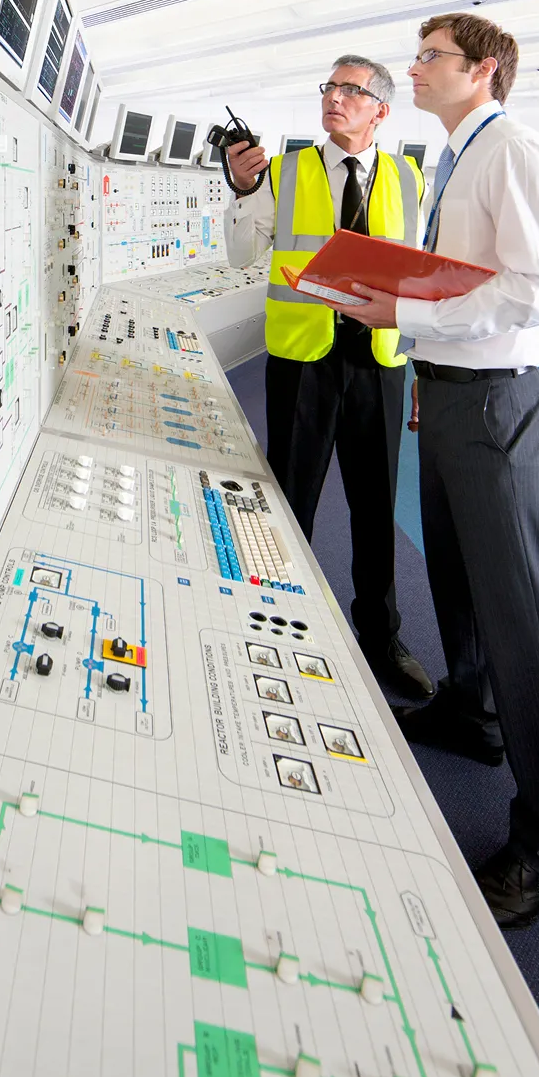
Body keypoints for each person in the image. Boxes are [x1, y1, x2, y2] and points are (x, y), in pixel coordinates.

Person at [321, 13, 539, 929]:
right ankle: (471, 712)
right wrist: (424, 352)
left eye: (429, 55)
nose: (414, 68)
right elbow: (469, 279)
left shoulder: (515, 153)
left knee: (526, 619)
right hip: (449, 392)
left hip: (495, 404)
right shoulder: (457, 157)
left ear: (483, 70)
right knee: (459, 580)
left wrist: (406, 314)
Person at [224, 56, 432, 700]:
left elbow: (421, 271)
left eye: (351, 90)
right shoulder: (283, 171)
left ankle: (381, 636)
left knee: (375, 506)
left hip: (379, 360)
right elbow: (241, 254)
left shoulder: (409, 177)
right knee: (288, 500)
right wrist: (240, 190)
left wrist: (424, 362)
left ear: (380, 110)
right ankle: (275, 619)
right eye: (330, 87)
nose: (334, 97)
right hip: (303, 358)